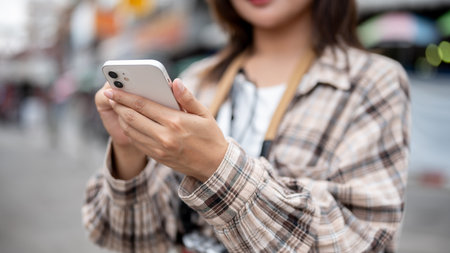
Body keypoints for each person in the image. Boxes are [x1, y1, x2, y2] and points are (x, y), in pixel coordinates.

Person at [82, 0, 410, 252]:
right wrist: (129, 152)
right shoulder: (196, 79)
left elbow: (366, 241)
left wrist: (216, 166)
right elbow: (127, 239)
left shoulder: (371, 81)